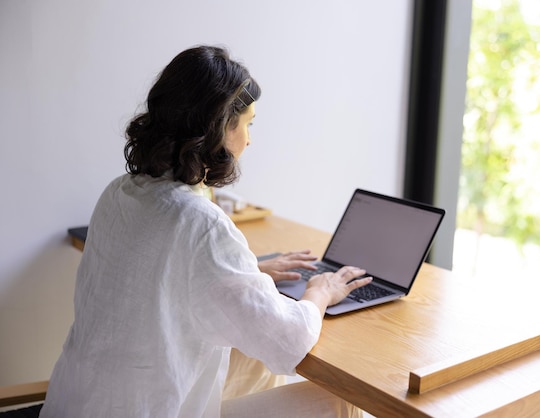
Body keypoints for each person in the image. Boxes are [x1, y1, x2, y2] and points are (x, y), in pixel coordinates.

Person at [40, 45, 371, 417]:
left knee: (253, 360)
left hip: (78, 406)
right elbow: (289, 338)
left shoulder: (120, 191)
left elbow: (159, 278)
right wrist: (319, 292)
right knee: (342, 400)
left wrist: (249, 274)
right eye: (248, 123)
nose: (249, 139)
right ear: (219, 127)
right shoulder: (201, 223)